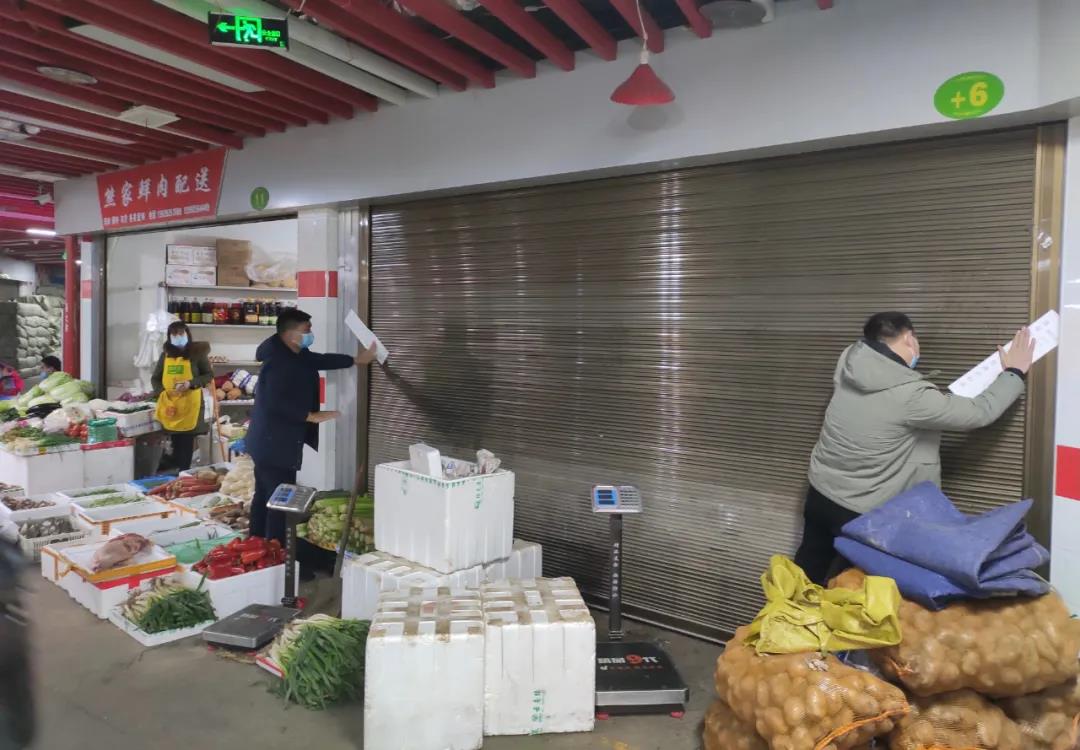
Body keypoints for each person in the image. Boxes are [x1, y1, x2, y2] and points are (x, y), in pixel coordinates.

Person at [795, 312, 1037, 584]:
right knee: (862, 591)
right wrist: (1014, 372)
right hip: (861, 513)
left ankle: (785, 610)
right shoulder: (911, 396)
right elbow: (980, 412)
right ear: (909, 338)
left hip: (820, 494)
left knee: (806, 574)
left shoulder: (849, 361)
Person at [246, 308, 378, 543]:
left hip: (270, 441)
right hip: (274, 443)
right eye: (307, 330)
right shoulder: (278, 362)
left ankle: (256, 542)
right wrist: (310, 416)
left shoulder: (295, 353)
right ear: (290, 334)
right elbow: (273, 402)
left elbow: (319, 359)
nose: (311, 334)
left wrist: (355, 360)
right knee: (280, 500)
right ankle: (276, 550)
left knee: (265, 494)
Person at [152, 321, 213, 471]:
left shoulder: (197, 354)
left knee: (186, 442)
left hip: (190, 404)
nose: (178, 337)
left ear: (187, 334)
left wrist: (190, 383)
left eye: (181, 334)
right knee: (175, 442)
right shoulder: (165, 356)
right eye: (174, 335)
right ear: (169, 337)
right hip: (171, 405)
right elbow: (155, 378)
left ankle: (183, 474)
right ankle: (174, 473)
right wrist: (162, 393)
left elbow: (208, 375)